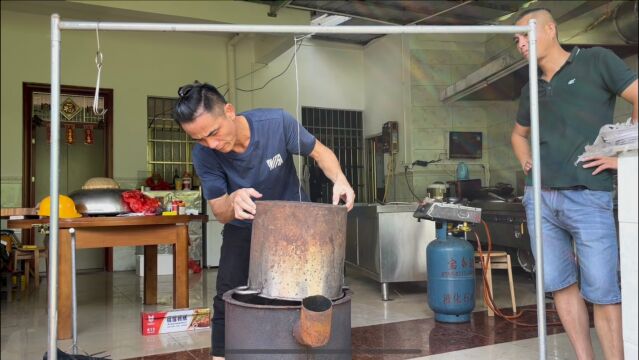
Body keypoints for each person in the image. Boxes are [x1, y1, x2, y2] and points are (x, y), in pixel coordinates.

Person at [173, 81, 356, 359]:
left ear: (230, 111)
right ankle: (220, 355)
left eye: (213, 133)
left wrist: (340, 179)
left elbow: (319, 152)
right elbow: (220, 212)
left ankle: (309, 350)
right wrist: (233, 201)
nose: (212, 144)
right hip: (244, 227)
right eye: (199, 139)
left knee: (306, 293)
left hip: (296, 225)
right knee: (227, 297)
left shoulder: (276, 123)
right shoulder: (204, 155)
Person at [511, 8, 637, 360]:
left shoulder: (598, 61)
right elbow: (518, 135)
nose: (521, 44)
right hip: (540, 199)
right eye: (517, 39)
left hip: (589, 196)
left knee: (602, 290)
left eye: (527, 34)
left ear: (550, 30)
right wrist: (525, 160)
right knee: (560, 285)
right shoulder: (530, 89)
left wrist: (623, 156)